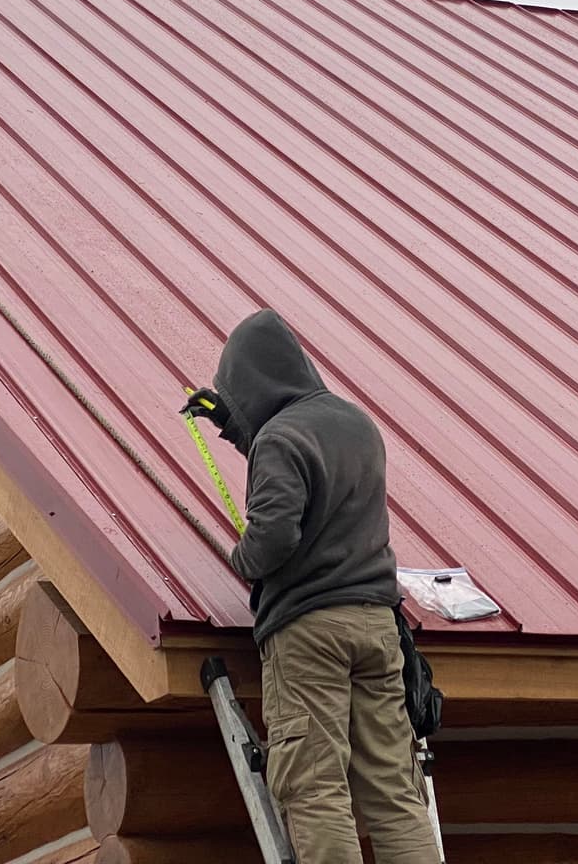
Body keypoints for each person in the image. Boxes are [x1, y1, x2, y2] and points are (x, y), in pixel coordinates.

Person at [184, 310, 439, 864]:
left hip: (309, 631)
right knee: (395, 793)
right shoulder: (357, 424)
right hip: (377, 626)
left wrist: (241, 557)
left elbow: (275, 534)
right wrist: (237, 429)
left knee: (315, 788)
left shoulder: (278, 439)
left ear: (252, 383)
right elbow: (314, 468)